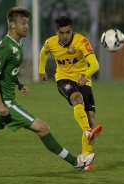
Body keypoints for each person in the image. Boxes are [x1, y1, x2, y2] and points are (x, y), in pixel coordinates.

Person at [0, 7, 95, 180]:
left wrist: (18, 84)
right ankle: (76, 162)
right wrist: (1, 104)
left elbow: (6, 72)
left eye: (27, 23)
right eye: (23, 23)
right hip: (4, 102)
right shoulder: (7, 46)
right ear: (12, 25)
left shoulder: (17, 44)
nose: (26, 26)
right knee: (43, 128)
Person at [39, 16, 103, 170]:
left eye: (68, 32)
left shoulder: (82, 41)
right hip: (63, 79)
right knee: (77, 98)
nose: (65, 36)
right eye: (62, 33)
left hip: (83, 79)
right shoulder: (51, 42)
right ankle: (87, 131)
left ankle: (85, 159)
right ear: (57, 32)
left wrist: (85, 74)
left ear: (71, 30)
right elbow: (44, 52)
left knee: (91, 119)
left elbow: (95, 64)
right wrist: (41, 70)